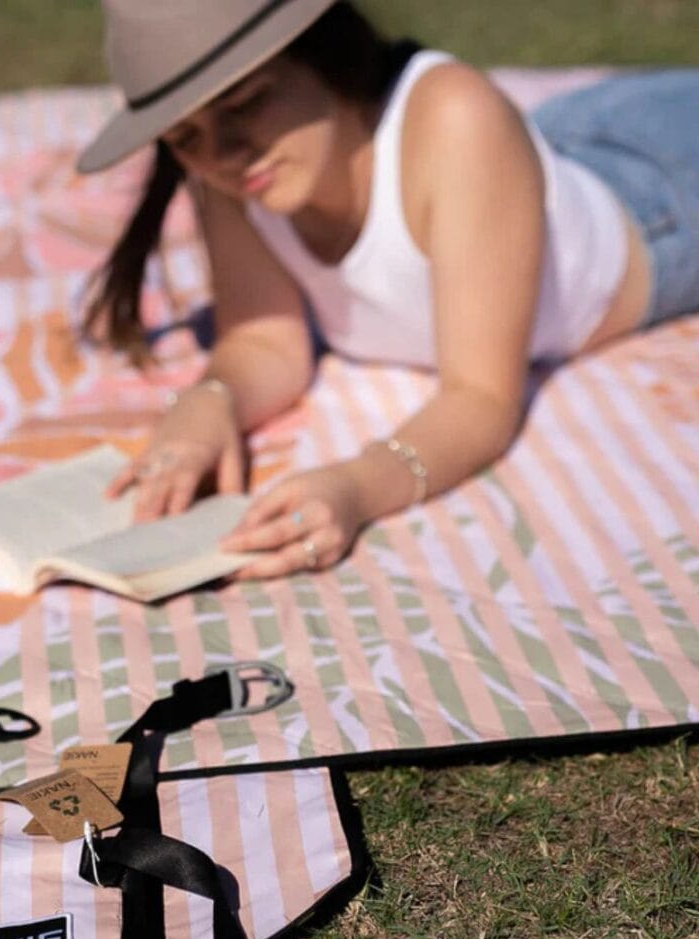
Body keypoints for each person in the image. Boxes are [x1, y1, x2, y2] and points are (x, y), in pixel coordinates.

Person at [78, 0, 699, 580]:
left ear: (326, 54)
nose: (225, 152)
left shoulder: (458, 121)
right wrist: (212, 398)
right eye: (186, 136)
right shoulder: (231, 173)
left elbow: (482, 397)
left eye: (245, 103)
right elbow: (267, 340)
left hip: (665, 189)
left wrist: (355, 487)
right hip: (561, 143)